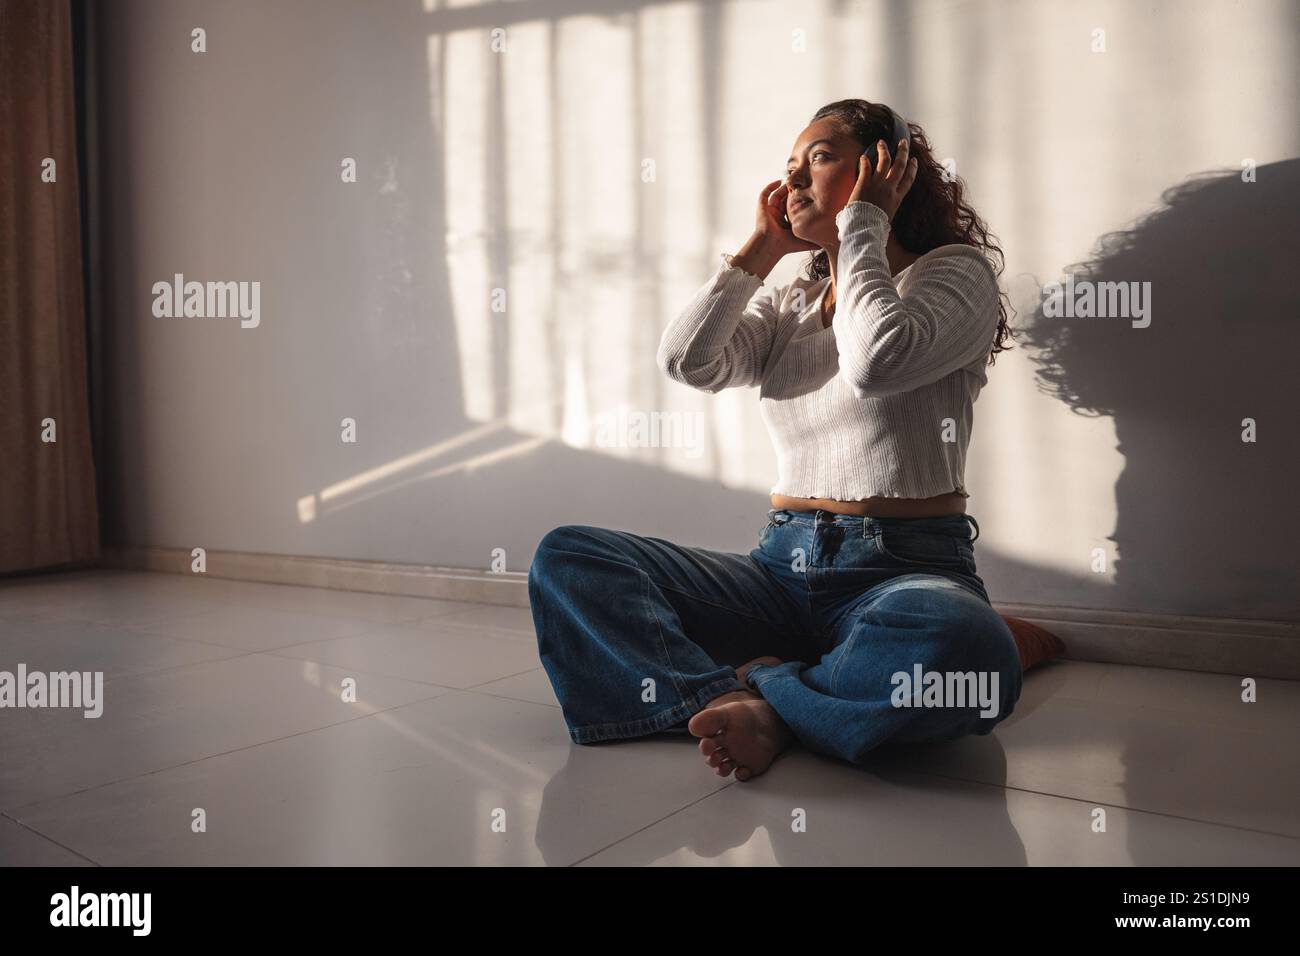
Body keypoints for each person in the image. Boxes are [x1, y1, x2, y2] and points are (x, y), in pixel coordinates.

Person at [528, 99, 1021, 781]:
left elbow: (878, 361)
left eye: (817, 159)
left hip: (904, 572)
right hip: (778, 571)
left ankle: (767, 696)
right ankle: (742, 697)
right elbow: (688, 362)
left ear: (889, 170)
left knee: (965, 648)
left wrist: (863, 225)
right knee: (571, 557)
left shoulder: (954, 273)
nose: (791, 182)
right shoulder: (793, 300)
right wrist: (759, 251)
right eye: (787, 167)